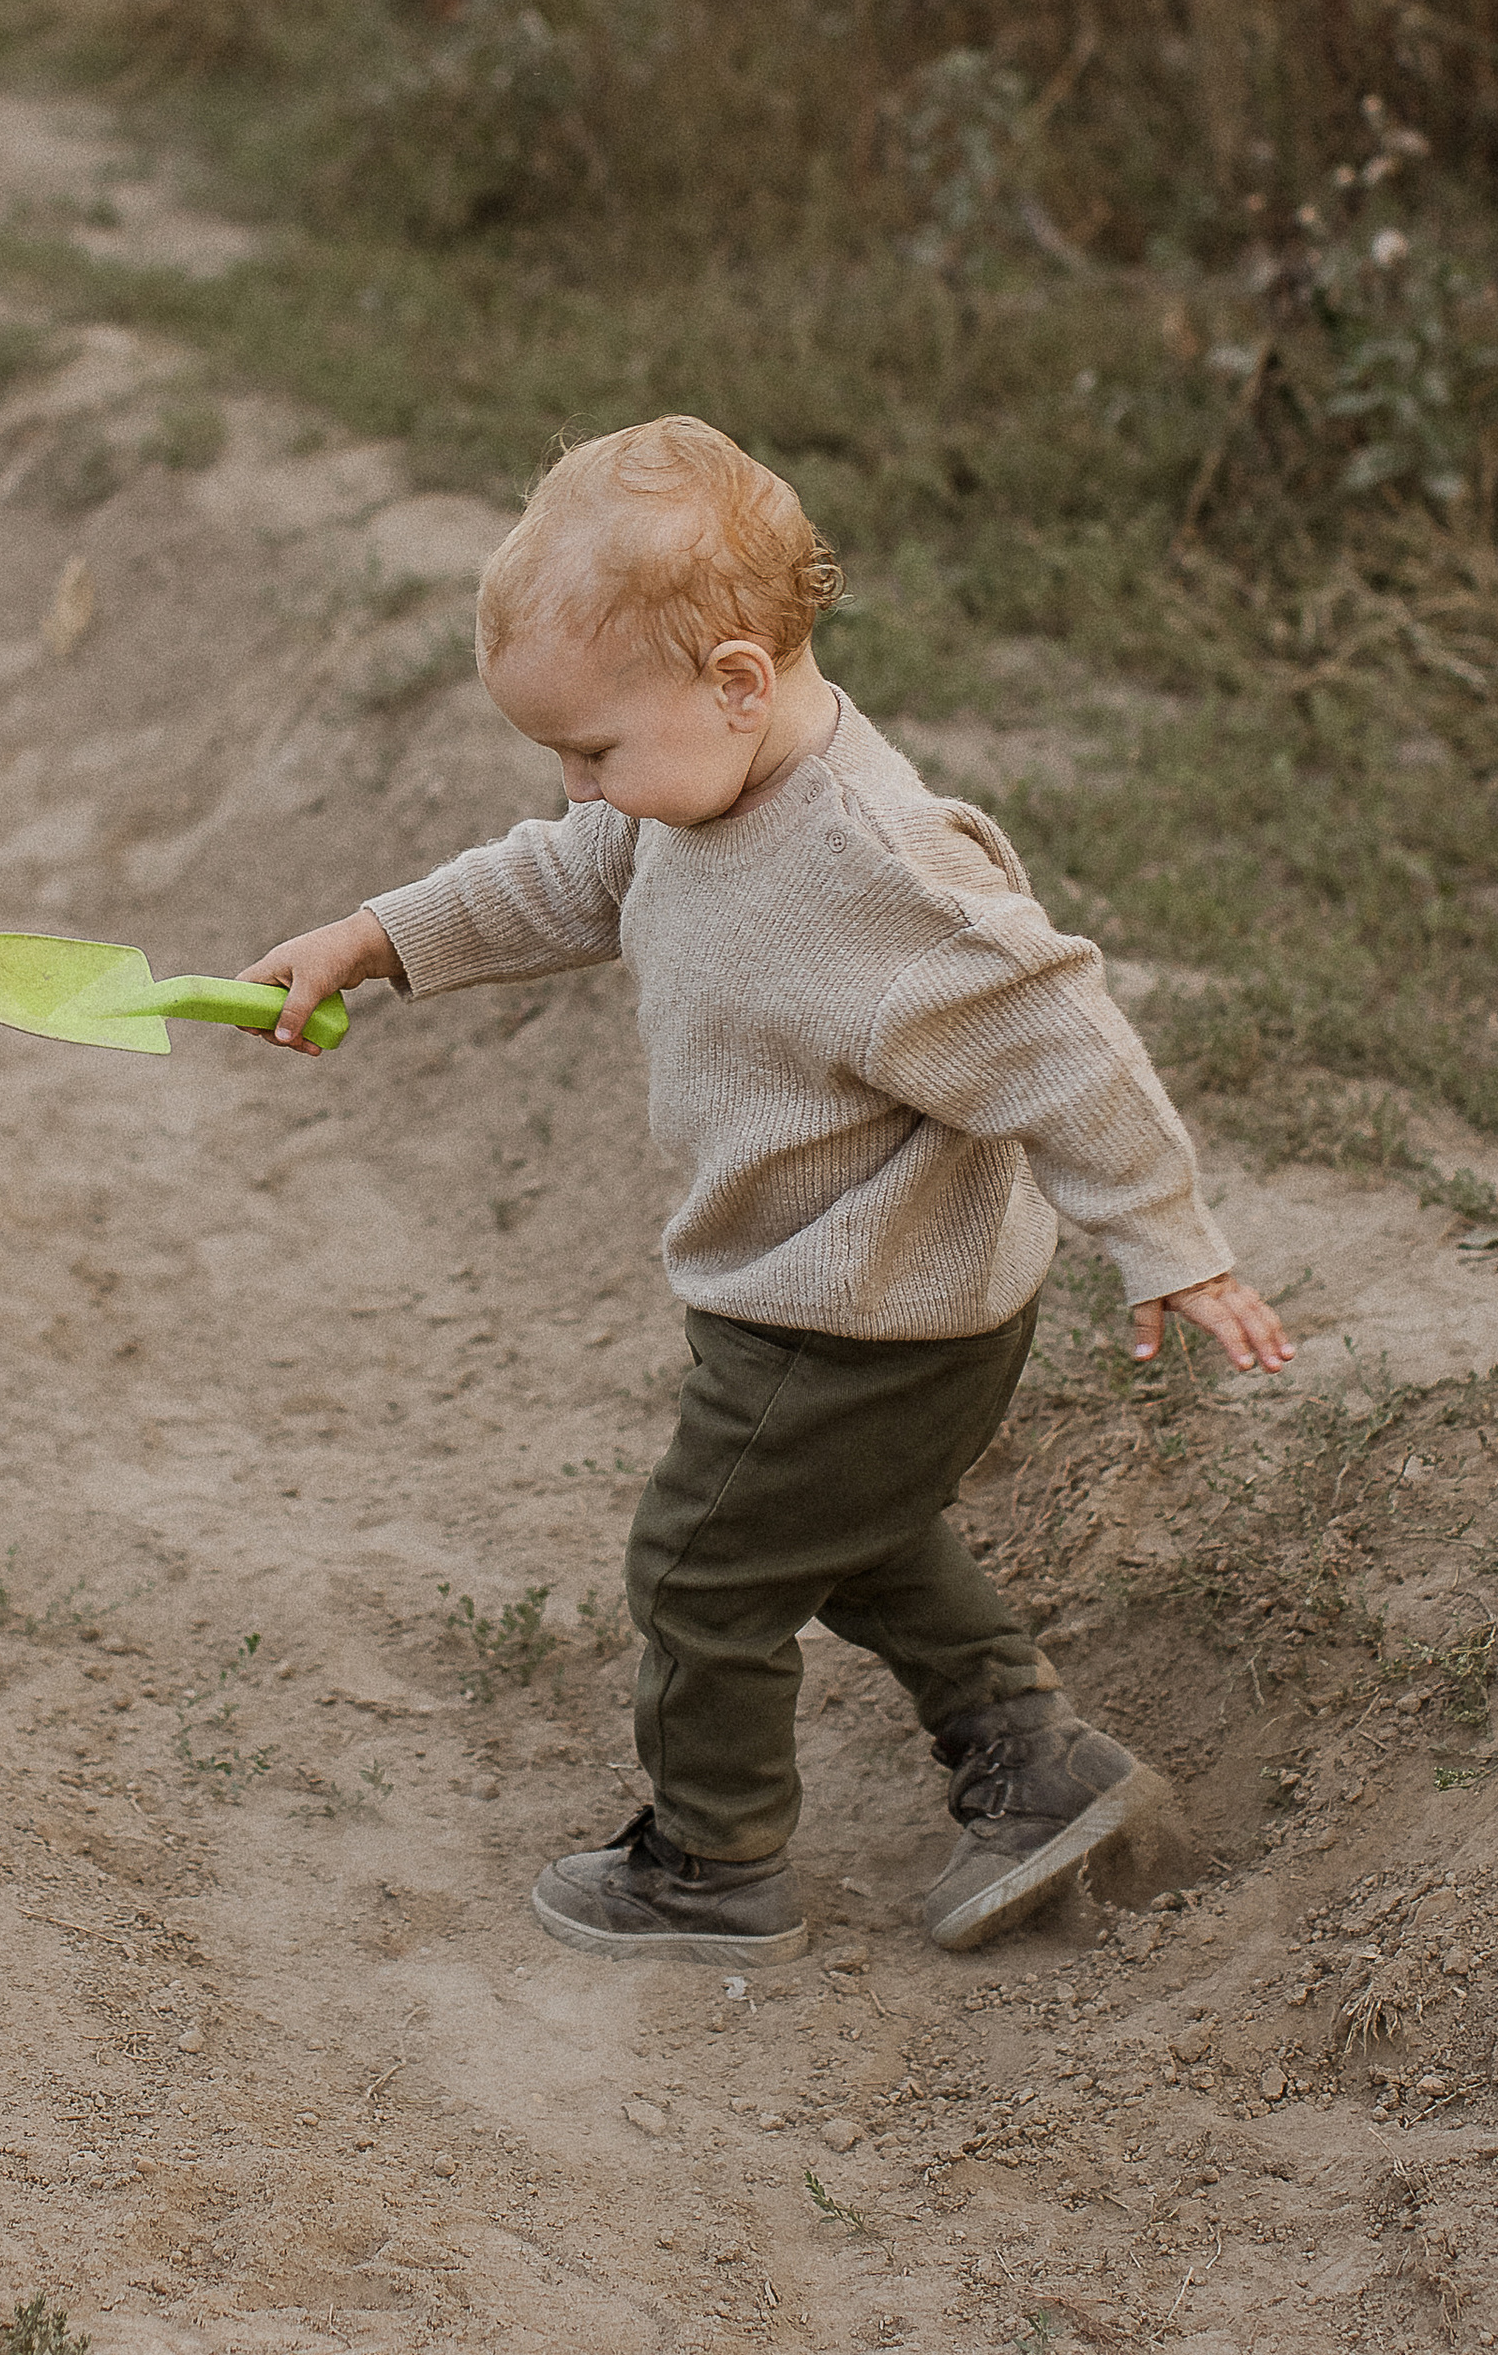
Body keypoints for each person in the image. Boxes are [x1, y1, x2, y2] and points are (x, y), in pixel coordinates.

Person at [242, 417, 1293, 1963]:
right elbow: (562, 873)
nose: (579, 786)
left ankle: (711, 1865)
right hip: (844, 1296)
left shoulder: (876, 866)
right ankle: (1038, 1762)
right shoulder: (695, 793)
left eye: (593, 751)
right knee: (850, 1536)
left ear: (737, 679)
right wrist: (376, 937)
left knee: (697, 1571)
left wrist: (1166, 1240)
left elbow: (1061, 1040)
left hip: (857, 1316)